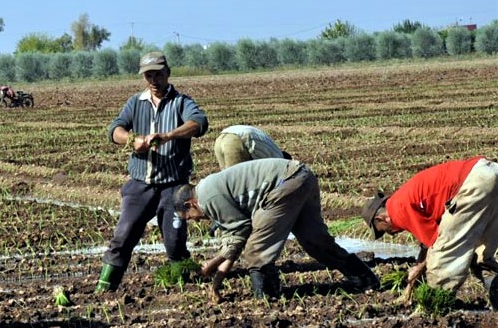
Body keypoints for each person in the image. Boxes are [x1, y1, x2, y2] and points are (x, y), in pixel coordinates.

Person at [174, 158, 380, 303]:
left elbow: (239, 233)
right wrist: (216, 283)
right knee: (314, 240)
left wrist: (209, 265)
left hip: (287, 182)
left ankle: (267, 295)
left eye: (190, 217)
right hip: (301, 175)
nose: (196, 220)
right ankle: (365, 279)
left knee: (256, 248)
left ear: (189, 204)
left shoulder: (208, 198)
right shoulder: (208, 191)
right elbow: (233, 244)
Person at [95, 51, 209, 293]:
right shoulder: (135, 103)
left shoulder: (181, 102)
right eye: (149, 75)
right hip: (140, 185)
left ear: (168, 73)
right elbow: (115, 129)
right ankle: (105, 289)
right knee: (122, 237)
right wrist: (131, 139)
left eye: (158, 74)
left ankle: (184, 286)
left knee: (175, 243)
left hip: (174, 186)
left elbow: (199, 123)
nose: (154, 80)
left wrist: (167, 136)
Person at [361, 156, 498, 310]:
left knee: (442, 259)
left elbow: (434, 243)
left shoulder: (397, 209)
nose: (391, 235)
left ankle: (436, 308)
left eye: (383, 231)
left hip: (475, 182)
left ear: (381, 219)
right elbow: (427, 244)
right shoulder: (405, 198)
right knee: (482, 256)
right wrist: (413, 280)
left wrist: (416, 271)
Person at [214, 125, 290, 170]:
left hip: (221, 138)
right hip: (236, 141)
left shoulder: (273, 151)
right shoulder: (279, 161)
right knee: (237, 183)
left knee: (225, 181)